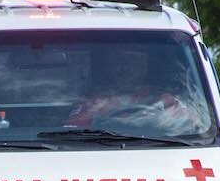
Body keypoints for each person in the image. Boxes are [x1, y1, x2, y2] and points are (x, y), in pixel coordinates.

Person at [67, 46, 200, 131]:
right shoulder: (94, 102)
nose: (124, 68)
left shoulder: (166, 100)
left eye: (132, 61)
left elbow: (194, 128)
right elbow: (71, 133)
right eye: (118, 61)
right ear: (109, 66)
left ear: (145, 65)